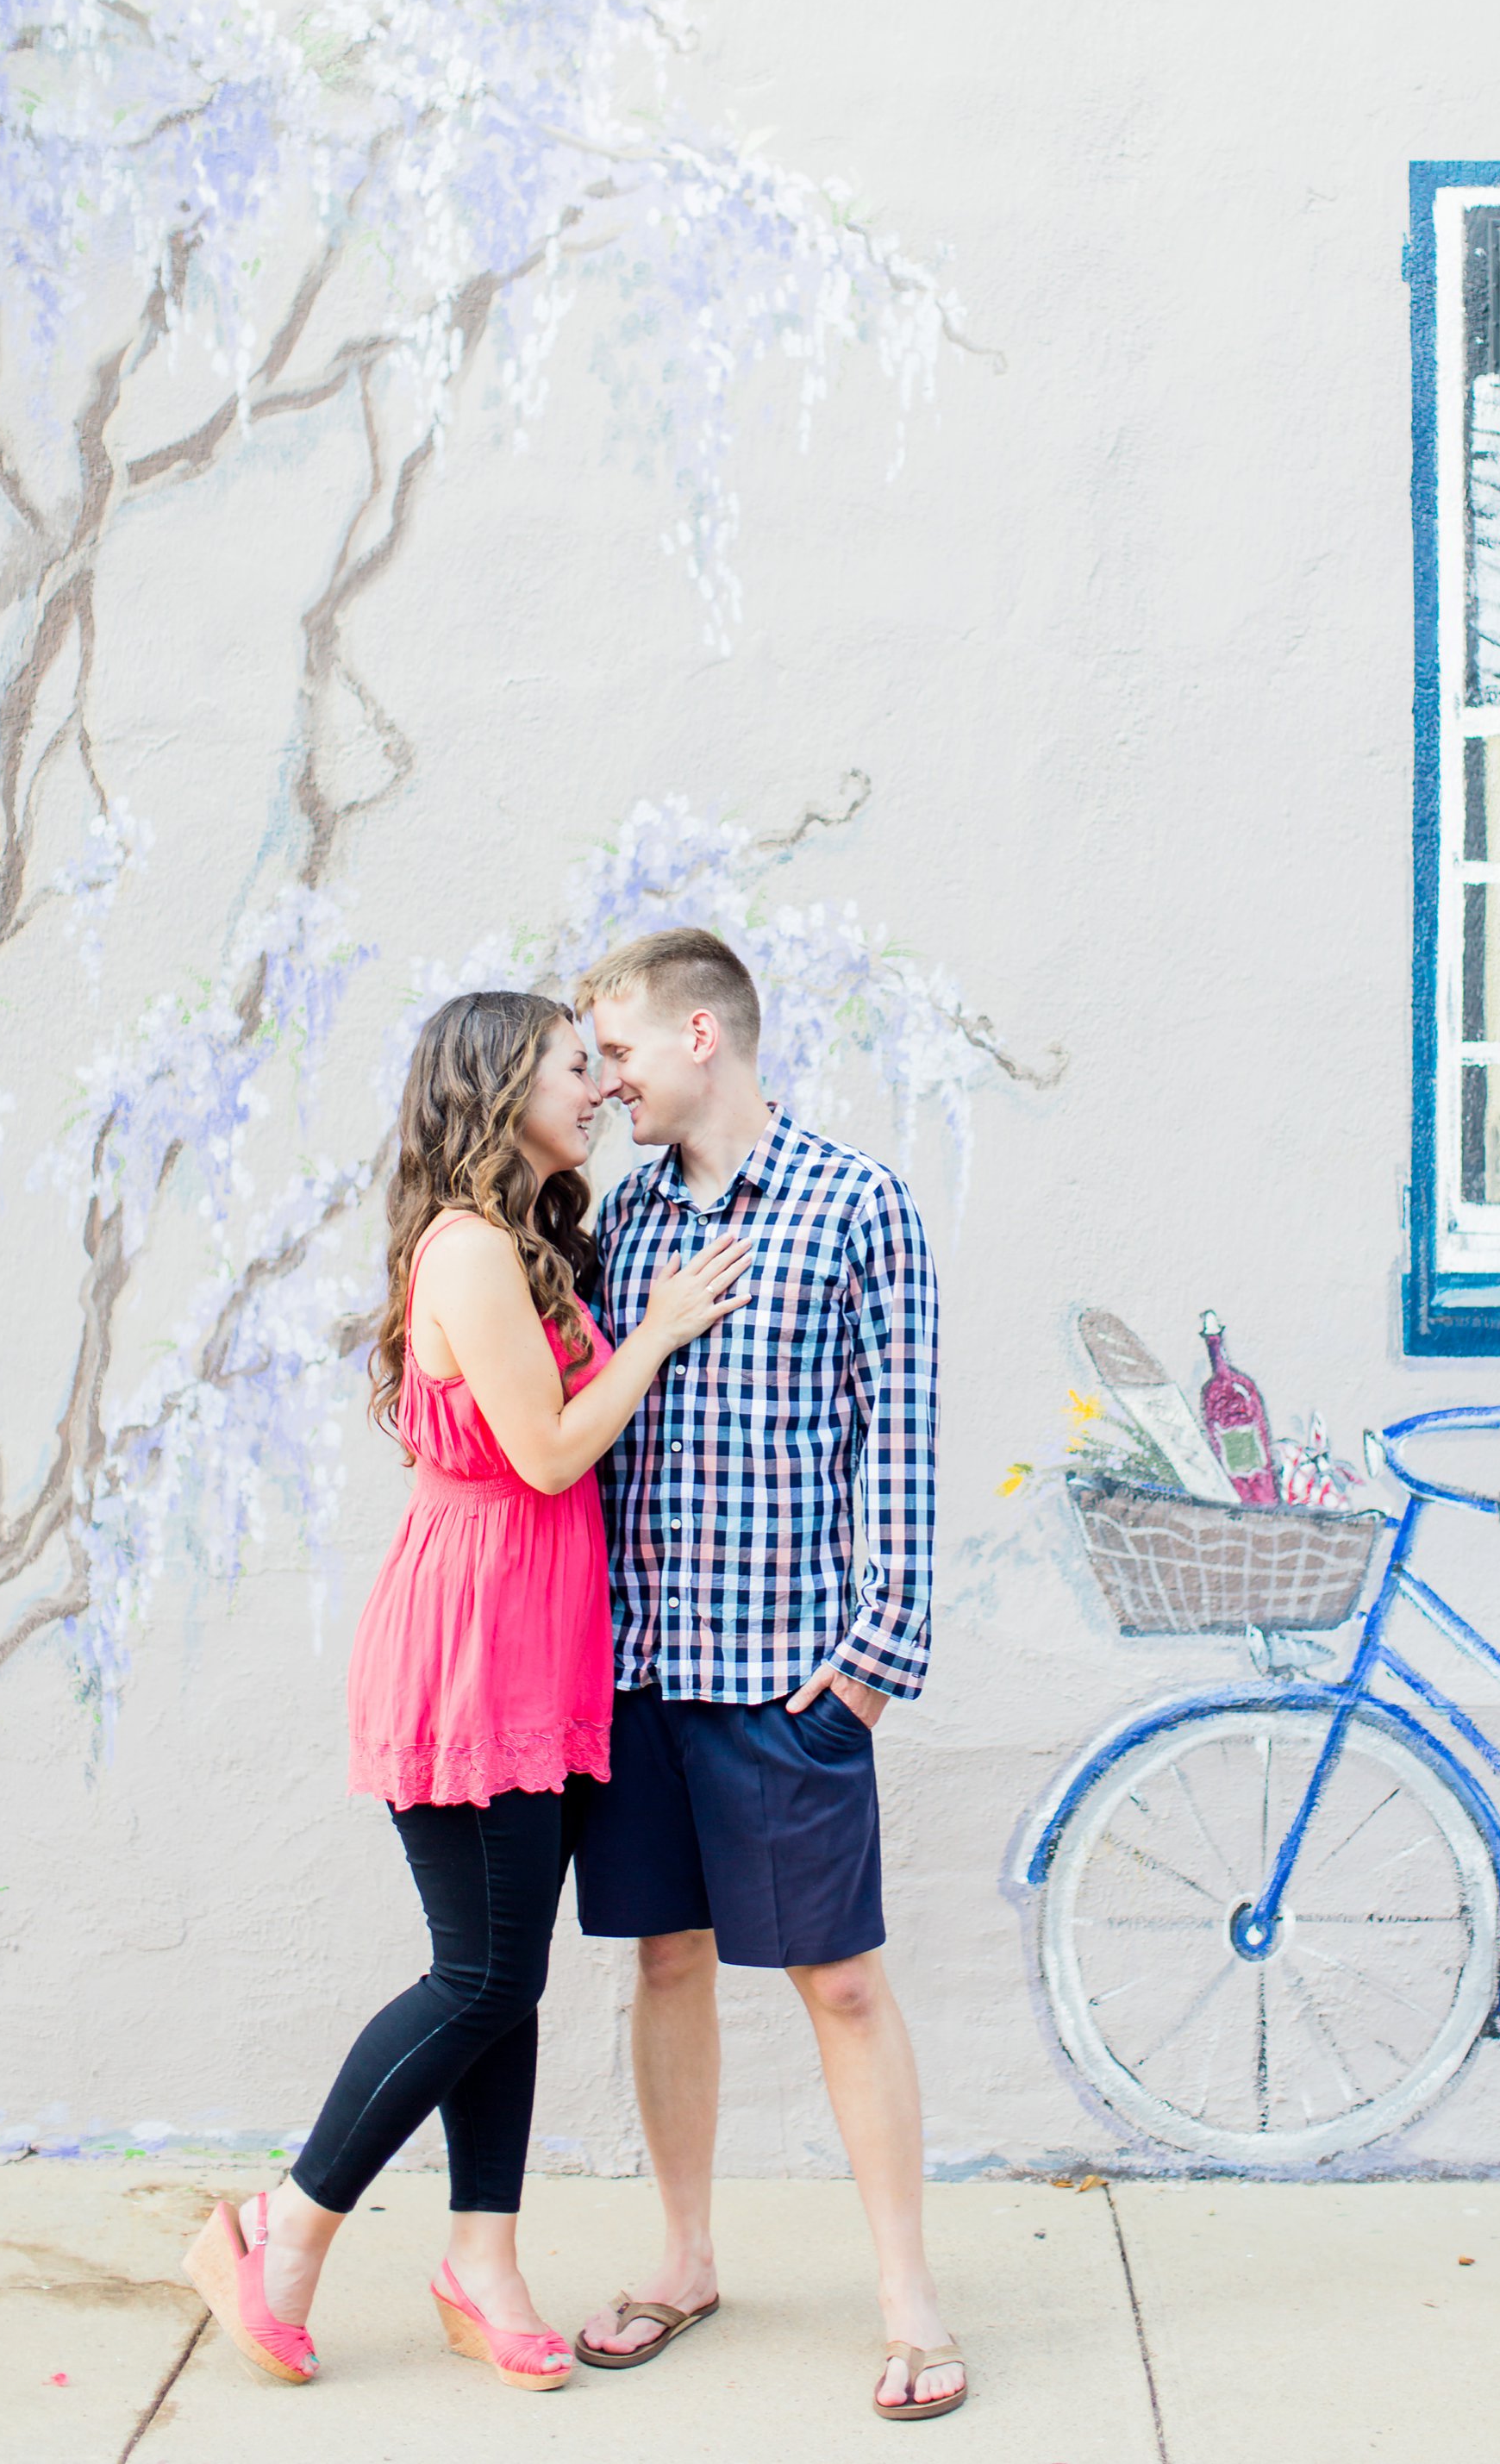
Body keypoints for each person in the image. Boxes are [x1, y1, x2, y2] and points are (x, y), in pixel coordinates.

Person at [181, 991, 749, 2392]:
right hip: (475, 1641)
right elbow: (551, 1454)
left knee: (508, 1977)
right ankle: (282, 2226)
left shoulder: (529, 1246)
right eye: (578, 1070)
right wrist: (659, 1332)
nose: (602, 1094)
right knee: (480, 1971)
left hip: (539, 1635)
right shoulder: (473, 1253)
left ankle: (482, 2258)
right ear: (502, 1094)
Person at [569, 928, 966, 2423]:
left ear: (699, 1039)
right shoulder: (624, 1224)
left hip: (789, 1679)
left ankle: (909, 2302)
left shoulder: (859, 1205)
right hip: (643, 1671)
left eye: (613, 1053)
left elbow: (903, 1443)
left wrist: (870, 1666)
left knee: (842, 1984)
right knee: (662, 1963)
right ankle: (683, 2261)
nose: (602, 1085)